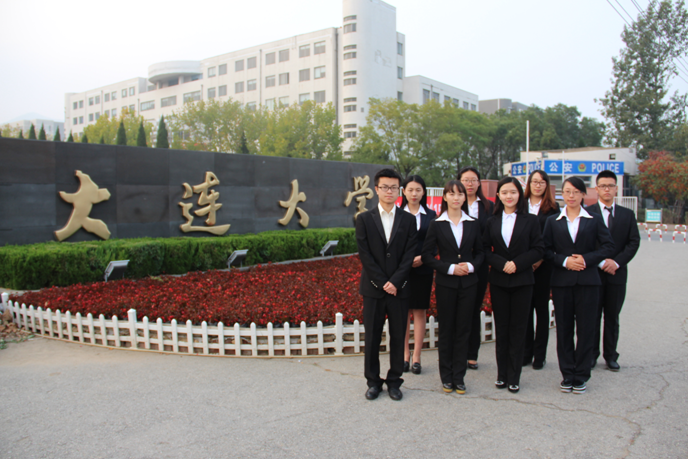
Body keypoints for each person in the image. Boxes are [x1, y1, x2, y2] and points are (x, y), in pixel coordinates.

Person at [542, 177, 615, 394]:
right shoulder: (553, 221)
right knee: (564, 329)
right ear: (562, 194)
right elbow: (545, 250)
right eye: (567, 191)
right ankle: (567, 374)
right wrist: (565, 261)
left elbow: (608, 246)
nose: (571, 196)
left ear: (584, 194)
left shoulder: (594, 219)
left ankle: (581, 375)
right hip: (562, 282)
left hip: (588, 282)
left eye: (575, 192)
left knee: (586, 329)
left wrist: (586, 259)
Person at [355, 168, 418, 401]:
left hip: (399, 290)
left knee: (398, 336)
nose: (389, 191)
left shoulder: (408, 220)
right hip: (373, 290)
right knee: (372, 337)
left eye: (393, 187)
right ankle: (373, 382)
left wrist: (396, 282)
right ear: (376, 189)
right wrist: (383, 283)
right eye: (384, 187)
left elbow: (409, 254)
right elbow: (365, 255)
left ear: (399, 190)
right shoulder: (364, 219)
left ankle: (394, 381)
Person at [421, 180, 484, 394]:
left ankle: (459, 376)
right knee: (447, 329)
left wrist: (471, 266)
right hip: (446, 284)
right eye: (452, 194)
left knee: (464, 329)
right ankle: (446, 376)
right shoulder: (437, 224)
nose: (456, 198)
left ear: (465, 197)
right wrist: (448, 268)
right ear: (445, 197)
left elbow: (481, 253)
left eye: (460, 194)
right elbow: (427, 256)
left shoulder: (473, 223)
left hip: (468, 283)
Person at [483, 177, 544, 393]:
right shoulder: (492, 221)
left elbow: (538, 249)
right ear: (498, 195)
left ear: (520, 194)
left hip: (523, 281)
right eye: (504, 192)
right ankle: (502, 375)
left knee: (518, 329)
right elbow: (484, 250)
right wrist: (502, 264)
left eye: (513, 192)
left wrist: (517, 264)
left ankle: (514, 376)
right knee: (502, 329)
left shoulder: (531, 220)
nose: (509, 196)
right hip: (499, 281)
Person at [585, 170, 640, 371]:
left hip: (617, 274)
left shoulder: (627, 215)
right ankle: (591, 355)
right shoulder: (587, 213)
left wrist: (616, 263)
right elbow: (585, 242)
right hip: (594, 273)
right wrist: (600, 262)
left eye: (610, 186)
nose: (606, 189)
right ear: (597, 189)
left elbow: (633, 242)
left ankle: (610, 355)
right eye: (603, 186)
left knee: (612, 316)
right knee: (592, 316)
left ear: (616, 189)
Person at [522, 170, 560, 370]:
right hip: (523, 265)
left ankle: (540, 355)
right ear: (529, 184)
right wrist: (526, 260)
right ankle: (526, 352)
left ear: (546, 185)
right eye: (534, 182)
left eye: (542, 182)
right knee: (526, 309)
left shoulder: (553, 208)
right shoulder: (521, 204)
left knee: (541, 310)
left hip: (544, 265)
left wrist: (539, 259)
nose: (538, 185)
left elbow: (552, 237)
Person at [457, 166, 494, 370]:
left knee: (473, 308)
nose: (469, 184)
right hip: (457, 265)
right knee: (458, 309)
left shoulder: (489, 207)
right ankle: (457, 353)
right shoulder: (454, 205)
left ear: (479, 183)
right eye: (465, 180)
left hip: (479, 265)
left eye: (473, 180)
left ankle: (472, 354)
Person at [400, 175, 437, 375]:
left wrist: (424, 257)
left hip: (423, 268)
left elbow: (437, 242)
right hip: (402, 270)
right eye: (410, 190)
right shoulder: (397, 214)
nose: (414, 194)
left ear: (424, 192)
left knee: (420, 311)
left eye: (418, 190)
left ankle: (417, 357)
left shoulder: (431, 215)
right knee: (404, 311)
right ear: (404, 192)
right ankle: (405, 355)